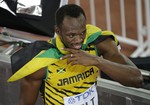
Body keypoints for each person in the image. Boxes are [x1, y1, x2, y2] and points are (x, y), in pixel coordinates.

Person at [8, 4, 143, 105]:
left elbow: (137, 79)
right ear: (58, 30)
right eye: (71, 35)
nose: (78, 40)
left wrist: (96, 61)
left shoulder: (97, 44)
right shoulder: (41, 62)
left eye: (82, 33)